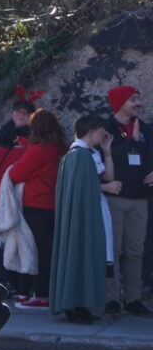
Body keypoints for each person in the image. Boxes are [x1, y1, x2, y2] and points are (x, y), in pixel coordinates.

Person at [51, 115, 115, 324]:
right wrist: (105, 188)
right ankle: (75, 305)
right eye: (100, 130)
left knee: (79, 254)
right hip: (82, 216)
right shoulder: (80, 156)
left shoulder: (78, 155)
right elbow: (85, 189)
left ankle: (80, 305)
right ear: (92, 130)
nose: (103, 134)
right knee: (79, 253)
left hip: (83, 213)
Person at [3, 110, 64, 307]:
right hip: (54, 203)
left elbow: (17, 174)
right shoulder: (61, 147)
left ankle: (40, 295)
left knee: (35, 251)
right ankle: (43, 293)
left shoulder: (40, 149)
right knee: (47, 250)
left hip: (35, 204)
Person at [104, 86, 148, 314]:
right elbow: (104, 158)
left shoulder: (145, 128)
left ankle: (133, 299)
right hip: (115, 198)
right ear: (120, 103)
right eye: (133, 99)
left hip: (140, 198)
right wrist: (132, 142)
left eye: (137, 99)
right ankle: (111, 298)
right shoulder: (106, 128)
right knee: (114, 250)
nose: (138, 104)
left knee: (135, 250)